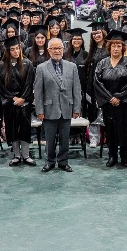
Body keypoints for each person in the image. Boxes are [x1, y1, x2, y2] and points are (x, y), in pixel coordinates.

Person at [34, 38, 82, 173]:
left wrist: (77, 108)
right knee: (49, 140)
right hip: (49, 110)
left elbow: (77, 89)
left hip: (67, 108)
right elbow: (38, 92)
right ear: (49, 51)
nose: (57, 51)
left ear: (63, 49)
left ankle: (63, 161)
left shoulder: (72, 66)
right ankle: (49, 161)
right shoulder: (41, 68)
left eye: (60, 48)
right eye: (54, 48)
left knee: (65, 138)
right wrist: (39, 110)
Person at [93, 30, 127, 168]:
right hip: (108, 104)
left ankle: (124, 156)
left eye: (119, 46)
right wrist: (109, 98)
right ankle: (112, 155)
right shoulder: (102, 63)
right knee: (110, 129)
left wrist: (119, 97)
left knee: (125, 129)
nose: (116, 48)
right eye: (113, 45)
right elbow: (97, 82)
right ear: (109, 47)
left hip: (125, 104)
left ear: (123, 47)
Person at [0, 36, 36, 167]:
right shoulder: (2, 66)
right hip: (9, 103)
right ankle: (16, 155)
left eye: (17, 48)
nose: (15, 51)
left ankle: (26, 155)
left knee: (25, 128)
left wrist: (23, 98)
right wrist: (12, 98)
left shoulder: (27, 63)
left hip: (24, 102)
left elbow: (29, 84)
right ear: (7, 51)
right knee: (12, 128)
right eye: (12, 49)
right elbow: (0, 86)